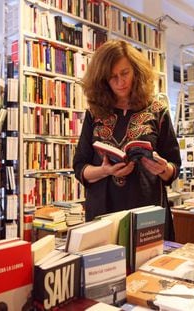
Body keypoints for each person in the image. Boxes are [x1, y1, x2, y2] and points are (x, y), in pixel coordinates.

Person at [73, 40, 181, 241]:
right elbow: (80, 167)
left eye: (125, 73)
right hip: (103, 213)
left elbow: (174, 167)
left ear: (136, 71)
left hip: (147, 211)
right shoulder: (94, 114)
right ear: (102, 80)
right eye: (112, 77)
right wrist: (104, 171)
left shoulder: (158, 111)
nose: (120, 82)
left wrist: (163, 168)